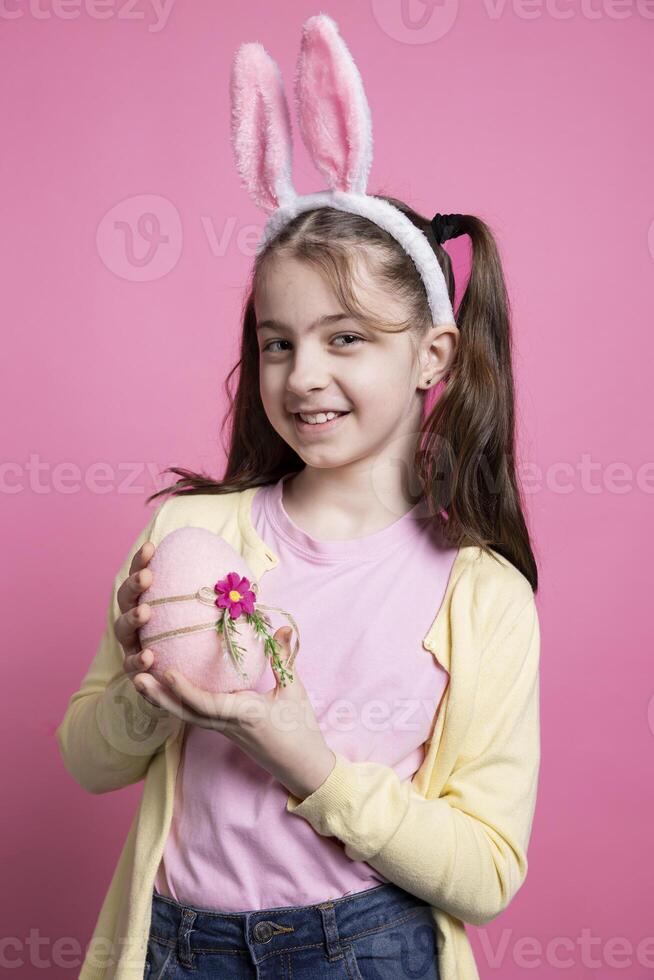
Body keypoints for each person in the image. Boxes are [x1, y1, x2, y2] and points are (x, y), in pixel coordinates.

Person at [55, 14, 541, 980]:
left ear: (430, 356)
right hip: (178, 948)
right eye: (279, 342)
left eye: (346, 337)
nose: (303, 374)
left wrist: (306, 762)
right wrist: (151, 696)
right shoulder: (191, 532)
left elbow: (486, 872)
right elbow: (86, 758)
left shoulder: (480, 594)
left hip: (367, 947)